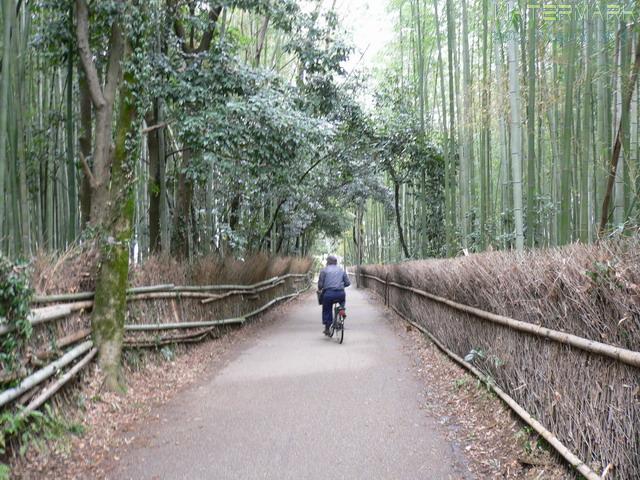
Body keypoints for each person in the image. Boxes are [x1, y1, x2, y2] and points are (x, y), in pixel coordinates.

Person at [317, 255, 351, 336]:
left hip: (328, 294)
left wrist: (322, 287)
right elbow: (348, 283)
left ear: (328, 262)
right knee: (342, 300)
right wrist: (340, 286)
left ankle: (327, 328)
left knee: (327, 308)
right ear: (336, 262)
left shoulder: (324, 270)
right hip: (340, 293)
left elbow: (320, 285)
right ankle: (342, 309)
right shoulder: (341, 270)